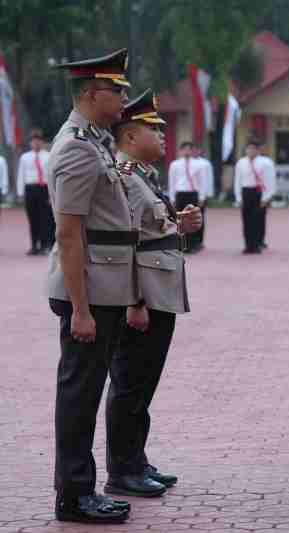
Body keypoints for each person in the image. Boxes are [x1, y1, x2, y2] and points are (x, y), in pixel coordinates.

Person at [47, 48, 134, 524]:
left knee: (88, 390)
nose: (123, 97)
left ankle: (81, 487)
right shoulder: (77, 147)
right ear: (89, 93)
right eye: (115, 90)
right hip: (89, 292)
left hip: (103, 287)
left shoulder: (95, 141)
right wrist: (80, 309)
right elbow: (68, 232)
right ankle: (74, 495)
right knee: (80, 394)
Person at [107, 89, 202, 498]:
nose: (163, 135)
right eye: (154, 129)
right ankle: (122, 470)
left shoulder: (143, 176)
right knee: (129, 383)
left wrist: (178, 225)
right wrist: (134, 301)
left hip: (160, 292)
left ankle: (137, 459)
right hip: (143, 298)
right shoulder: (124, 179)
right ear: (130, 136)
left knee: (144, 384)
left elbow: (148, 231)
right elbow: (123, 245)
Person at [234, 139, 276, 254]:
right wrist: (238, 197)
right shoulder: (241, 163)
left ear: (258, 150)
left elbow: (270, 180)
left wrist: (267, 197)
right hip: (246, 191)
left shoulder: (266, 162)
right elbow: (238, 181)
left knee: (257, 220)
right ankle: (248, 245)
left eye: (253, 149)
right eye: (248, 149)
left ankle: (257, 243)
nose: (251, 151)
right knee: (246, 220)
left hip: (259, 192)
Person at [17, 129, 55, 254]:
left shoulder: (48, 156)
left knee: (45, 218)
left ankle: (45, 245)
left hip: (44, 188)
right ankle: (34, 245)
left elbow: (51, 176)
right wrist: (21, 193)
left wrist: (52, 193)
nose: (36, 143)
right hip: (30, 188)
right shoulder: (25, 157)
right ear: (30, 143)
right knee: (32, 218)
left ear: (42, 142)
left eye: (38, 141)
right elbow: (21, 175)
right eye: (33, 141)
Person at [168, 141, 205, 253]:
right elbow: (172, 181)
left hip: (193, 193)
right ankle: (181, 244)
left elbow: (202, 181)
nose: (187, 152)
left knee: (193, 219)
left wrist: (202, 196)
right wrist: (172, 198)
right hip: (180, 193)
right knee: (180, 220)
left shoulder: (199, 165)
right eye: (185, 149)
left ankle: (193, 245)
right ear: (180, 151)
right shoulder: (175, 164)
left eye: (189, 149)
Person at [191, 144, 214, 250]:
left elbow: (208, 180)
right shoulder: (186, 163)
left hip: (200, 193)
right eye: (193, 150)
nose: (195, 152)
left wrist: (207, 195)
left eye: (197, 149)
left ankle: (199, 240)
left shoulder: (205, 164)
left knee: (199, 218)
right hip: (189, 192)